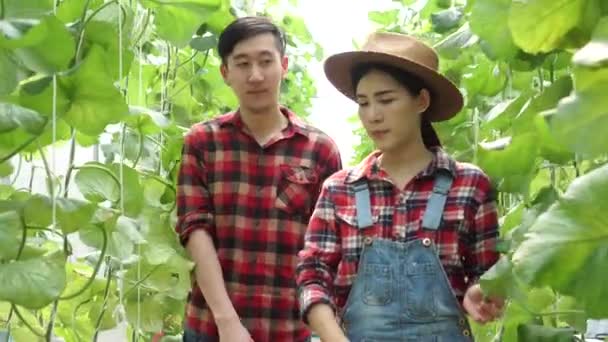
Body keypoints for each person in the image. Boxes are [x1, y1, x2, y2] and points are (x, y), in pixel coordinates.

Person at [296, 32, 504, 342]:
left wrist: (482, 292)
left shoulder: (469, 185)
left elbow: (488, 273)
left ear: (421, 100)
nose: (373, 116)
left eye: (386, 99)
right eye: (363, 103)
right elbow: (312, 277)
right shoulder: (339, 190)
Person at [175, 16, 342, 342]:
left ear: (284, 65)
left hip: (288, 329)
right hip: (212, 328)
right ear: (225, 73)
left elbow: (327, 247)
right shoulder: (202, 142)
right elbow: (195, 230)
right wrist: (227, 322)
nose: (255, 75)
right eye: (242, 63)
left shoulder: (320, 150)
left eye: (266, 61)